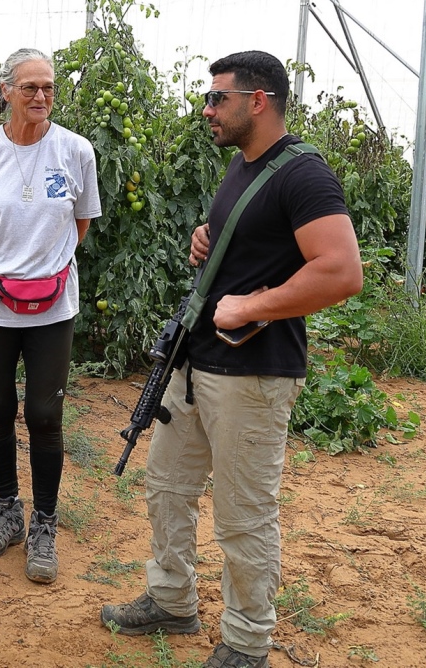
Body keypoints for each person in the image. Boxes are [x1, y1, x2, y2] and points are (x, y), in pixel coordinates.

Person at [100, 51, 363, 667]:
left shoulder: (304, 175)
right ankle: (171, 599)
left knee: (243, 515)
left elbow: (342, 271)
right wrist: (208, 241)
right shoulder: (243, 169)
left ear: (259, 100)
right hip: (196, 367)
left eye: (218, 97)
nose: (207, 108)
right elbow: (254, 244)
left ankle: (247, 642)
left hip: (253, 375)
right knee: (167, 487)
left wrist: (251, 307)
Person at [0, 48, 101, 584]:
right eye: (29, 88)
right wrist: (7, 270)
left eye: (48, 88)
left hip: (53, 305)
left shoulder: (75, 151)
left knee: (44, 414)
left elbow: (80, 222)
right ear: (6, 91)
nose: (41, 97)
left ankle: (44, 522)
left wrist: (42, 270)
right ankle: (6, 511)